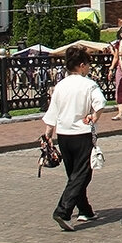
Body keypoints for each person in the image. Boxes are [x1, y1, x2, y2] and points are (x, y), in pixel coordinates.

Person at [42, 45, 107, 230]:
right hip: (82, 133)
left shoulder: (60, 85)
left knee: (73, 174)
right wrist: (94, 117)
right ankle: (63, 211)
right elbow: (100, 102)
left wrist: (48, 134)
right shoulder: (88, 84)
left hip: (63, 134)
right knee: (82, 173)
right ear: (80, 65)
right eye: (87, 65)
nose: (88, 68)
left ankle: (85, 210)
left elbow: (52, 111)